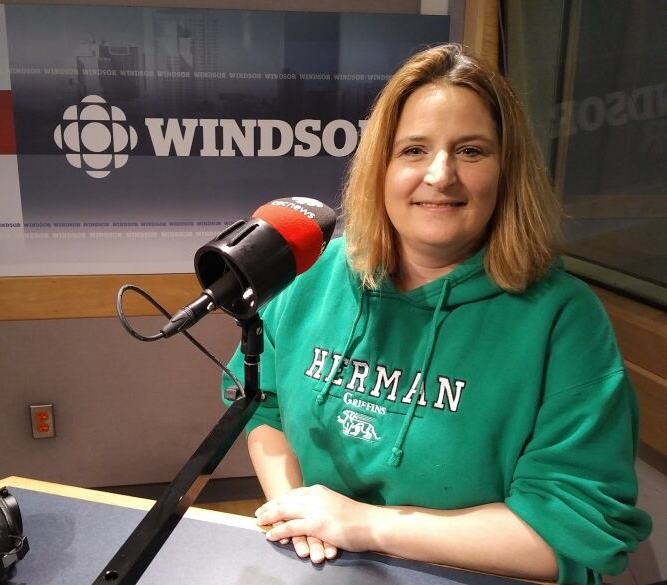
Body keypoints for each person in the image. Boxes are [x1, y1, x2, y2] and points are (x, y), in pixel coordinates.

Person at [222, 43, 652, 584]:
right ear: (380, 167)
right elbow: (261, 405)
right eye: (414, 150)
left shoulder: (563, 321)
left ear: (507, 171)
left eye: (471, 151)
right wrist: (298, 516)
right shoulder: (314, 275)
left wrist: (368, 526)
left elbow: (573, 533)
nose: (440, 174)